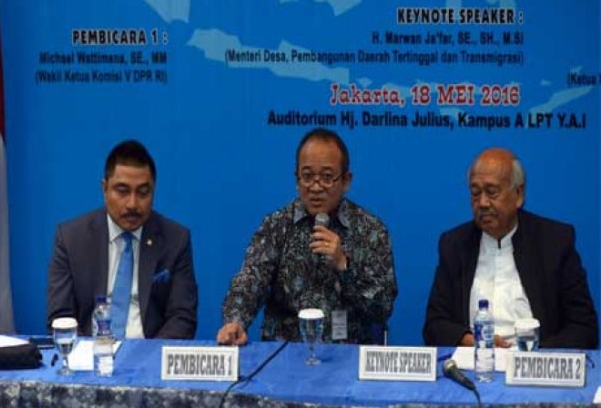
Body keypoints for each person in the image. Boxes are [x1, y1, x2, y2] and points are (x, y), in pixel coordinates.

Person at [217, 128, 397, 345]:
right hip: (286, 351)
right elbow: (250, 280)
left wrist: (344, 266)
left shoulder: (371, 230)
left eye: (327, 177)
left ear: (346, 180)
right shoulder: (277, 226)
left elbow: (382, 307)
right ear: (297, 178)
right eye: (308, 176)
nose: (316, 187)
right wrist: (235, 321)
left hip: (349, 352)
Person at [423, 148, 598, 349]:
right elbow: (434, 325)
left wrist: (532, 355)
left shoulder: (554, 242)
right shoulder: (455, 245)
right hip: (475, 359)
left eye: (491, 192)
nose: (482, 203)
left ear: (518, 194)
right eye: (475, 193)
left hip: (534, 360)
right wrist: (474, 342)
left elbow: (584, 328)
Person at [47, 140, 197, 339]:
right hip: (89, 350)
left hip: (149, 351)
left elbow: (182, 318)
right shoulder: (71, 238)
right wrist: (89, 352)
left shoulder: (175, 240)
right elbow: (60, 317)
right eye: (122, 191)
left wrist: (148, 355)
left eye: (143, 192)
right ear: (104, 189)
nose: (132, 204)